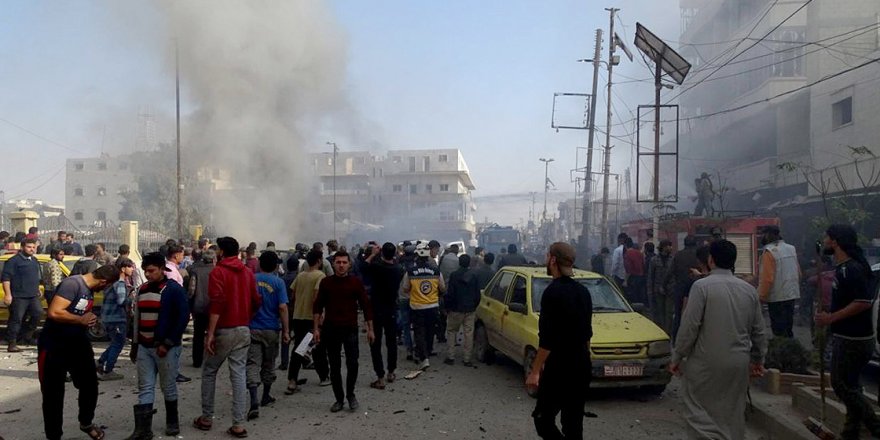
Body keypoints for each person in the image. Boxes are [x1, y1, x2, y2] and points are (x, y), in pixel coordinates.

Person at [670, 239, 767, 440]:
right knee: (732, 413)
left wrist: (677, 356)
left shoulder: (702, 287)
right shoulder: (749, 290)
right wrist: (758, 360)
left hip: (706, 363)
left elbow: (689, 327)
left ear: (711, 260)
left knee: (699, 413)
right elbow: (759, 331)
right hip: (738, 363)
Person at [814, 224, 880, 439]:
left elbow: (863, 302)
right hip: (850, 337)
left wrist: (830, 318)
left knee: (841, 385)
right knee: (852, 386)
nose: (824, 241)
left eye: (827, 237)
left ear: (835, 241)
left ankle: (875, 425)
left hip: (852, 339)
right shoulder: (844, 268)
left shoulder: (850, 269)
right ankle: (851, 432)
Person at [38, 264, 119, 440]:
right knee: (53, 394)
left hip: (77, 344)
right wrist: (80, 319)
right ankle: (54, 436)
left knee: (90, 385)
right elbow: (54, 312)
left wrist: (89, 319)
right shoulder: (72, 284)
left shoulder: (89, 290)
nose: (104, 290)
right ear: (103, 281)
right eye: (106, 286)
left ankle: (86, 422)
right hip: (54, 345)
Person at [193, 236, 262, 438]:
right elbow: (257, 300)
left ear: (221, 252)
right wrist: (246, 316)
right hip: (243, 329)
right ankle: (238, 424)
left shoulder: (219, 272)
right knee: (238, 375)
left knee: (209, 371)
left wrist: (211, 333)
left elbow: (217, 304)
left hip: (224, 329)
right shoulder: (248, 273)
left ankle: (206, 418)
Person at [525, 242, 592, 440]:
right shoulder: (583, 292)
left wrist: (535, 371)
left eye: (547, 256)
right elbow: (587, 334)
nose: (546, 260)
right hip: (581, 364)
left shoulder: (552, 293)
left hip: (559, 367)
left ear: (553, 260)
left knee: (543, 419)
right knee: (573, 424)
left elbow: (547, 339)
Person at [126, 252, 190, 439]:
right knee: (145, 387)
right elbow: (137, 319)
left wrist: (168, 343)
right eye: (146, 271)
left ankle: (172, 423)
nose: (148, 274)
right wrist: (135, 345)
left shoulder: (173, 290)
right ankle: (144, 430)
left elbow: (183, 317)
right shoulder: (142, 289)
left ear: (162, 269)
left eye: (152, 271)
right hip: (145, 348)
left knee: (168, 386)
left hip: (166, 348)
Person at [313, 250, 375, 412]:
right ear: (333, 263)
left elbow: (366, 306)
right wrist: (316, 329)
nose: (341, 265)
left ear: (349, 264)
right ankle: (339, 399)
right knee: (334, 366)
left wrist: (370, 329)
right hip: (330, 329)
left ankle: (351, 394)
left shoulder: (355, 283)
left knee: (353, 363)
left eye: (344, 262)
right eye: (338, 262)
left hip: (350, 329)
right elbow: (318, 306)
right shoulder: (326, 283)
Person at [245, 251, 290, 420]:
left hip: (252, 328)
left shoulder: (250, 279)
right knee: (269, 363)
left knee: (252, 363)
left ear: (259, 264)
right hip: (271, 329)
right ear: (275, 266)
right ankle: (266, 395)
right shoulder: (278, 282)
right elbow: (283, 307)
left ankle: (254, 399)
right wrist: (286, 331)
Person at [286, 250, 330, 394]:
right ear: (319, 261)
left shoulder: (301, 275)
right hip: (312, 318)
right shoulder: (320, 276)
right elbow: (317, 297)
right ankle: (324, 377)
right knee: (318, 348)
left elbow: (293, 295)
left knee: (298, 347)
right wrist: (320, 315)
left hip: (298, 316)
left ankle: (292, 380)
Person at [363, 242, 405, 389]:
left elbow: (364, 266)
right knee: (391, 342)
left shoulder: (376, 267)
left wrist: (373, 254)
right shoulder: (398, 269)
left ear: (382, 253)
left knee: (375, 343)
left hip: (376, 310)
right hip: (391, 309)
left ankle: (380, 377)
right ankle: (391, 372)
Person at [402, 242, 446, 371]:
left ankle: (423, 357)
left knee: (419, 332)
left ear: (416, 256)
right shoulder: (436, 271)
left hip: (417, 307)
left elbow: (405, 289)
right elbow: (442, 288)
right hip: (432, 306)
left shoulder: (410, 272)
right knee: (430, 330)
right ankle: (428, 351)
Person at [757, 225, 801, 338]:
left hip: (777, 298)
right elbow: (798, 273)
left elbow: (767, 279)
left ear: (769, 235)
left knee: (779, 332)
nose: (761, 236)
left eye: (763, 234)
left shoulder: (769, 252)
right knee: (788, 328)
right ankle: (791, 351)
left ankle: (781, 353)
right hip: (791, 296)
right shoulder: (791, 248)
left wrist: (760, 297)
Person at [96, 257, 135, 381]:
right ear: (123, 269)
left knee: (114, 343)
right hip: (116, 318)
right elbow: (121, 300)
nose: (133, 269)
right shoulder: (120, 283)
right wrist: (133, 300)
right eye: (130, 267)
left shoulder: (111, 282)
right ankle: (108, 371)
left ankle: (100, 362)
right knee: (118, 344)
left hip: (109, 318)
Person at [2, 237, 42, 351]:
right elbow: (6, 278)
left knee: (38, 314)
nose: (32, 249)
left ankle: (27, 336)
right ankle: (12, 343)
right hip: (19, 296)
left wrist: (37, 288)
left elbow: (34, 277)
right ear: (22, 247)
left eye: (34, 247)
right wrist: (8, 294)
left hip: (33, 295)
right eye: (29, 247)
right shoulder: (13, 261)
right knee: (16, 319)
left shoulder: (34, 260)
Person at [444, 254, 480, 367]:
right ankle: (467, 359)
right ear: (469, 263)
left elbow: (450, 294)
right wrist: (474, 305)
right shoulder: (474, 275)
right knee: (469, 333)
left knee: (451, 331)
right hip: (470, 309)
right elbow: (477, 294)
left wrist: (447, 307)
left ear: (459, 262)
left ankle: (450, 356)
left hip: (456, 309)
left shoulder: (454, 275)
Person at [188, 249, 215, 368]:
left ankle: (197, 360)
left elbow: (191, 289)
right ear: (214, 259)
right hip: (214, 308)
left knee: (198, 335)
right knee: (213, 333)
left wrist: (190, 303)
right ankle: (212, 360)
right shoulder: (217, 271)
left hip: (199, 307)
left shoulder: (196, 271)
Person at [670, 235, 700, 342]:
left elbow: (671, 271)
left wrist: (663, 285)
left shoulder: (678, 255)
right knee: (696, 315)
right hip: (697, 288)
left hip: (680, 287)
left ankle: (675, 340)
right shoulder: (699, 255)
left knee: (677, 314)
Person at [647, 240, 675, 335]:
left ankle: (668, 332)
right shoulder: (654, 260)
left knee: (669, 312)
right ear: (663, 247)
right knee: (659, 311)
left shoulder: (673, 259)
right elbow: (651, 277)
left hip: (670, 289)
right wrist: (650, 291)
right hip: (657, 290)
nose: (671, 248)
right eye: (669, 245)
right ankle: (661, 331)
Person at [623, 237, 646, 305]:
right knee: (640, 297)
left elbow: (628, 269)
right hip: (641, 277)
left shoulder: (627, 254)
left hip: (633, 278)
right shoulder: (640, 253)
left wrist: (625, 280)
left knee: (633, 297)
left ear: (625, 245)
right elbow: (643, 264)